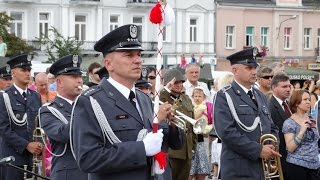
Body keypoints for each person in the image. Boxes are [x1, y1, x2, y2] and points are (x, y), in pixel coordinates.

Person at [71, 24, 184, 180]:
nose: (138, 60)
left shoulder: (144, 99)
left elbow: (171, 144)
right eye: (129, 55)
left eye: (138, 54)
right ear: (108, 64)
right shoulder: (90, 101)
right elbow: (88, 159)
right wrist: (141, 148)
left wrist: (171, 126)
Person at [213, 47, 280, 180]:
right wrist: (258, 150)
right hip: (238, 169)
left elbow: (271, 126)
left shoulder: (260, 95)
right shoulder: (224, 96)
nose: (254, 72)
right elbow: (226, 132)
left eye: (255, 68)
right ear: (235, 71)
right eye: (249, 68)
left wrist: (272, 144)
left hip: (261, 169)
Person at [39, 54, 87, 180]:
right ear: (59, 82)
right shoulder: (48, 110)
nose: (79, 80)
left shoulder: (88, 105)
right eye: (73, 76)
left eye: (80, 76)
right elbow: (63, 134)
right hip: (68, 175)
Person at [0, 54, 42, 180]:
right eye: (23, 70)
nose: (27, 73)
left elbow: (38, 124)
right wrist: (26, 145)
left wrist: (39, 143)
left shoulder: (35, 96)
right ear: (13, 72)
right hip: (13, 157)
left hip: (32, 158)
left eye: (29, 70)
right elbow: (3, 128)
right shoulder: (4, 96)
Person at [160, 69, 197, 180]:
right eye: (175, 83)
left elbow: (192, 125)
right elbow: (158, 100)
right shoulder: (164, 97)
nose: (179, 85)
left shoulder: (186, 99)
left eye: (181, 82)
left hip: (187, 150)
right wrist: (166, 88)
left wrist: (193, 146)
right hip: (172, 151)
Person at [283, 89, 320, 180]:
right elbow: (290, 148)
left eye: (309, 100)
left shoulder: (311, 119)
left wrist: (317, 130)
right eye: (305, 100)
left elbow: (315, 141)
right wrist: (301, 132)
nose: (308, 102)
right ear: (296, 103)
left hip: (315, 166)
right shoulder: (289, 123)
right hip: (297, 166)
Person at [267, 73, 292, 179]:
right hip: (280, 158)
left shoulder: (288, 104)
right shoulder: (269, 106)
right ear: (273, 87)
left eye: (289, 86)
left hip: (290, 157)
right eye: (284, 86)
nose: (288, 89)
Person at [189, 86, 210, 180]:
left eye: (199, 96)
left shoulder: (203, 106)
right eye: (195, 96)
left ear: (203, 98)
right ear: (192, 97)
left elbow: (196, 118)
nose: (197, 98)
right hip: (193, 138)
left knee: (201, 170)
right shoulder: (192, 106)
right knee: (191, 170)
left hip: (200, 136)